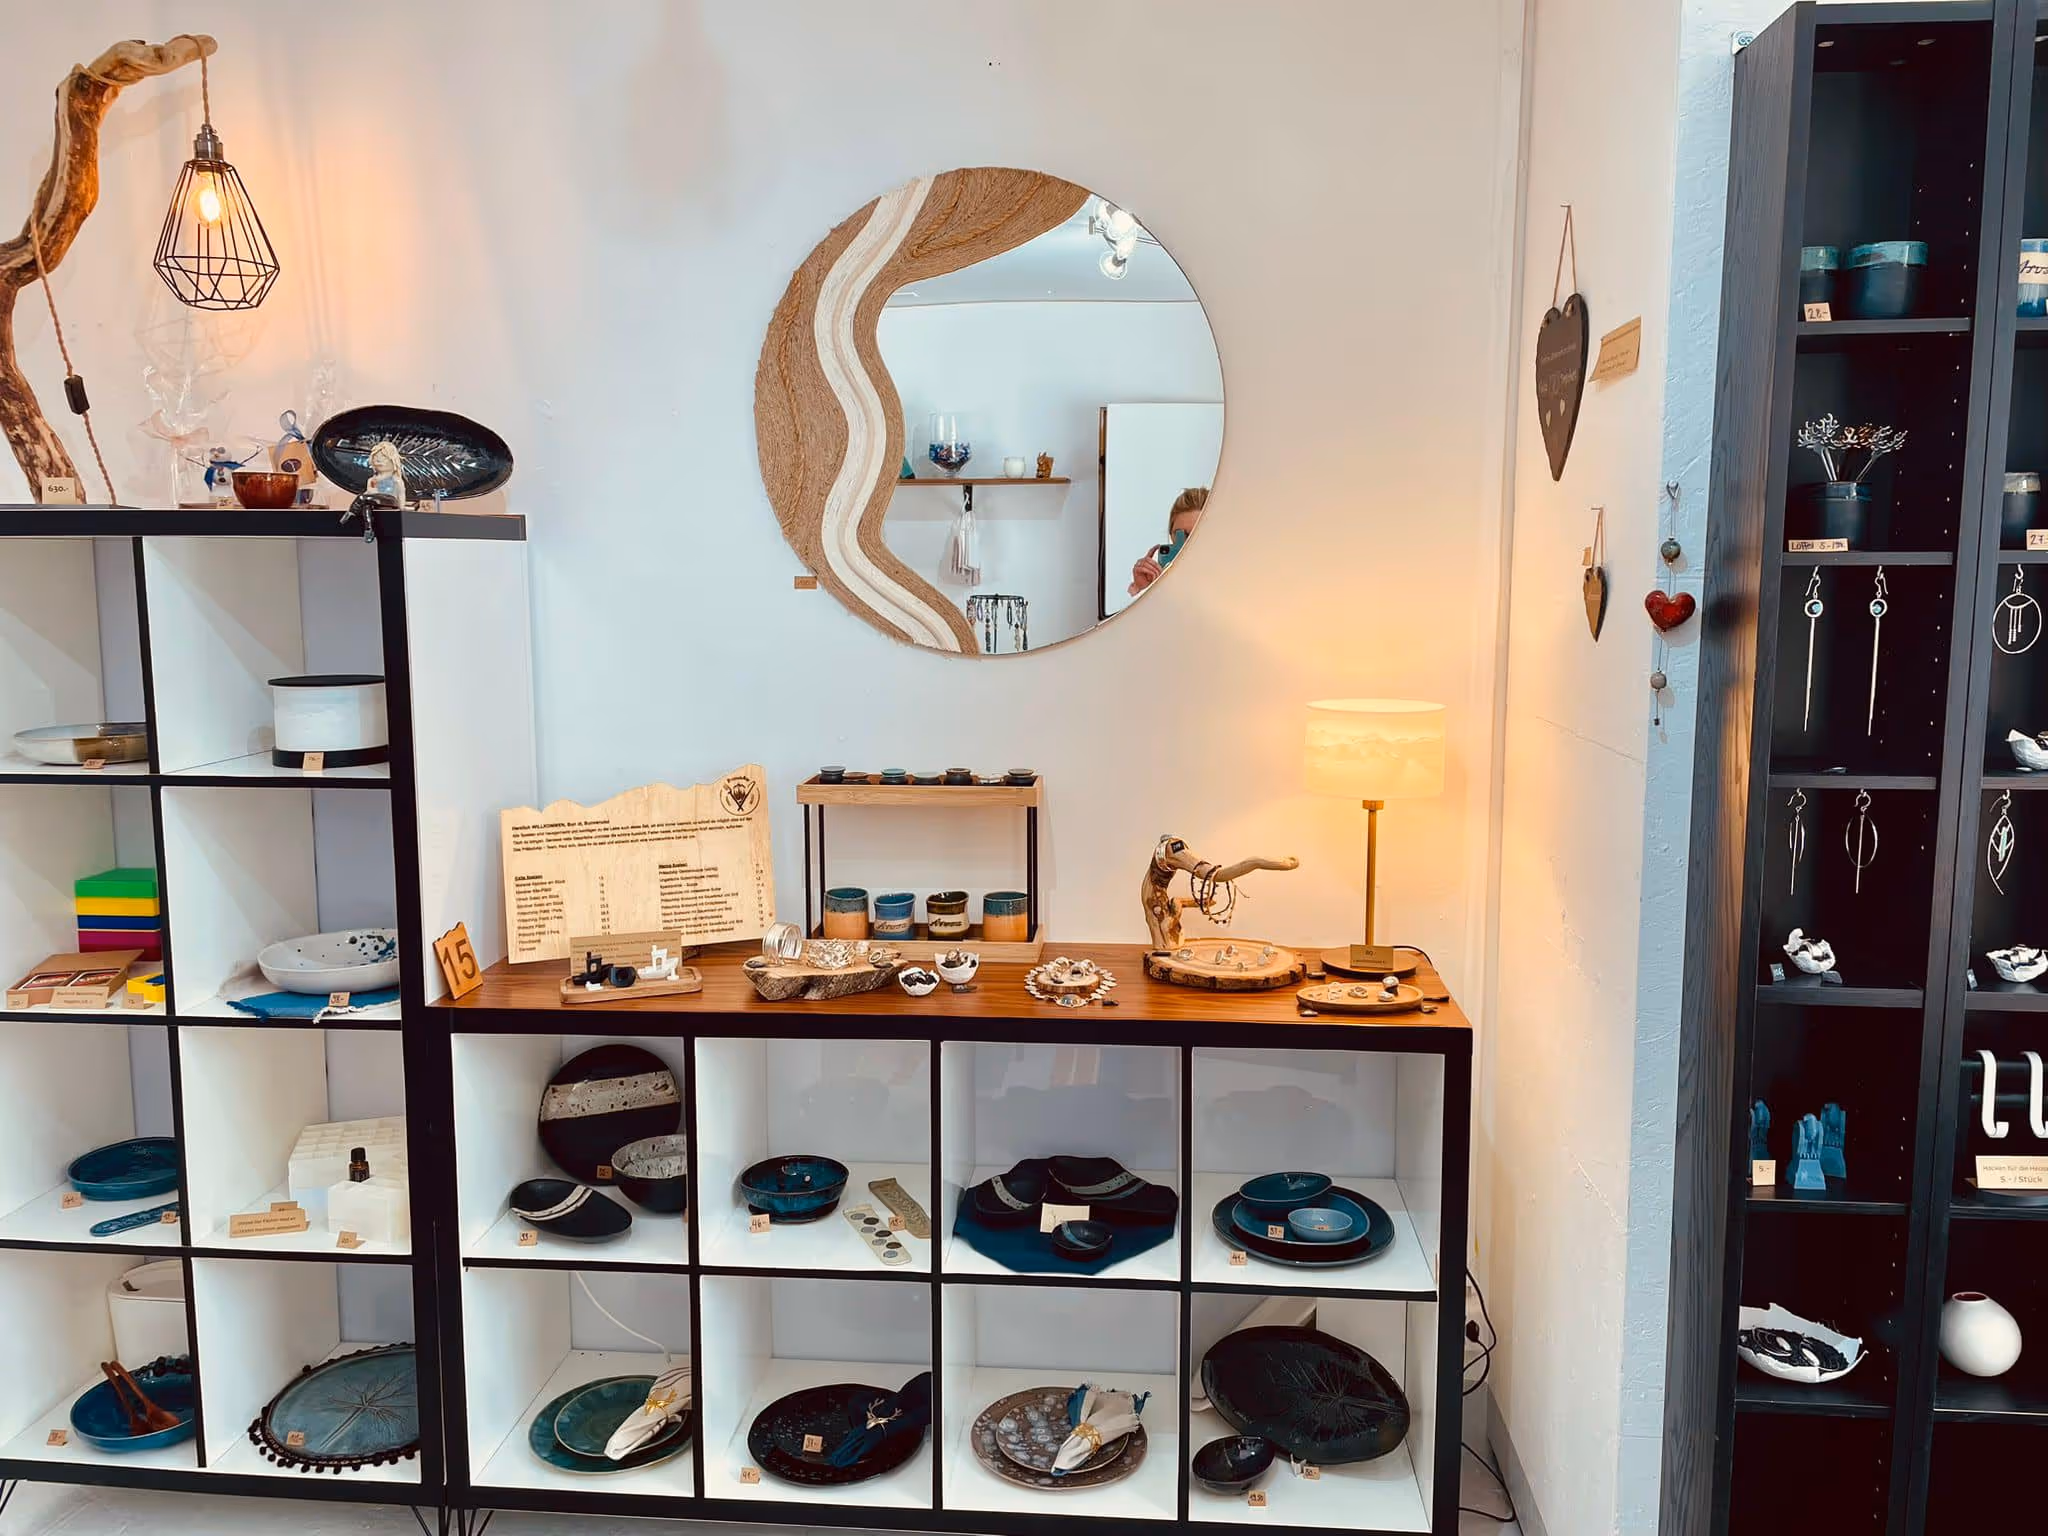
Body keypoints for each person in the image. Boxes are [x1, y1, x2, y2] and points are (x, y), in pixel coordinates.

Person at [1128, 486, 1209, 596]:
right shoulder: (1157, 582)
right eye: (1179, 534)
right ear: (1171, 535)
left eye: (1196, 534)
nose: (1186, 544)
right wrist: (1146, 591)